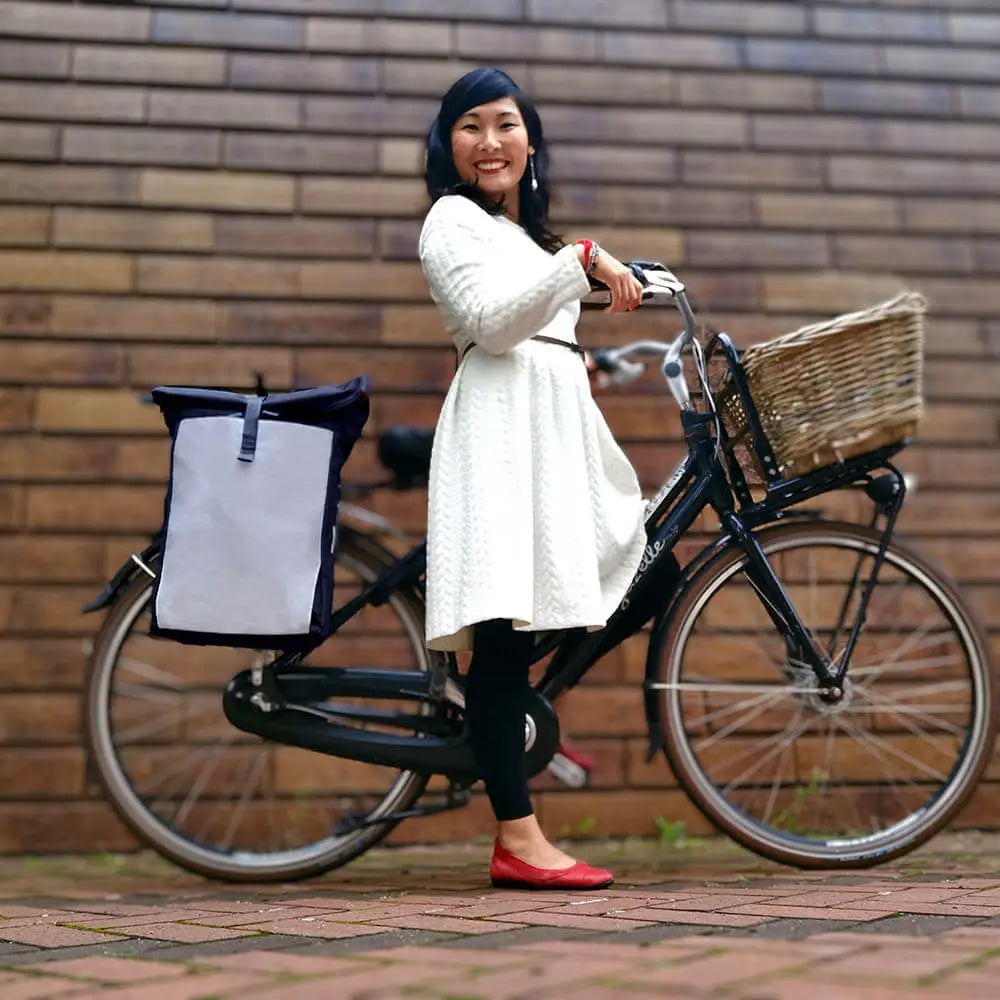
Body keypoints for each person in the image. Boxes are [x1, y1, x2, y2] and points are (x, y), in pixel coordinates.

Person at [418, 68, 647, 891]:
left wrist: (593, 268)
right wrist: (583, 260)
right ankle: (516, 834)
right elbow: (490, 324)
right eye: (471, 125)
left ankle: (508, 715)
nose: (490, 141)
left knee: (652, 569)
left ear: (530, 141)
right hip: (497, 435)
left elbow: (544, 308)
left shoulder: (527, 237)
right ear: (449, 145)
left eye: (506, 124)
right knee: (503, 640)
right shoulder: (450, 221)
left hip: (550, 435)